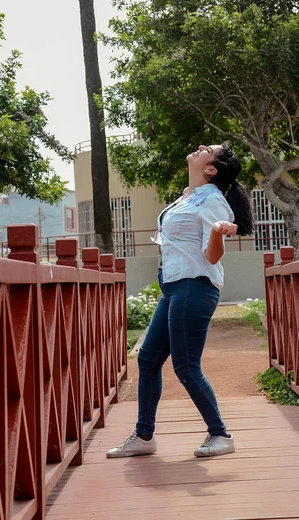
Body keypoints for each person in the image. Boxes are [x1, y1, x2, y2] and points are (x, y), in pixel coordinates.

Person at [107, 142, 254, 459]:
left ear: (211, 169)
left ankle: (220, 434)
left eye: (208, 149)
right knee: (147, 359)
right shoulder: (189, 196)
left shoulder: (212, 200)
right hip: (174, 286)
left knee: (186, 366)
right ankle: (144, 436)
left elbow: (211, 256)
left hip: (194, 284)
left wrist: (215, 232)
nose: (201, 147)